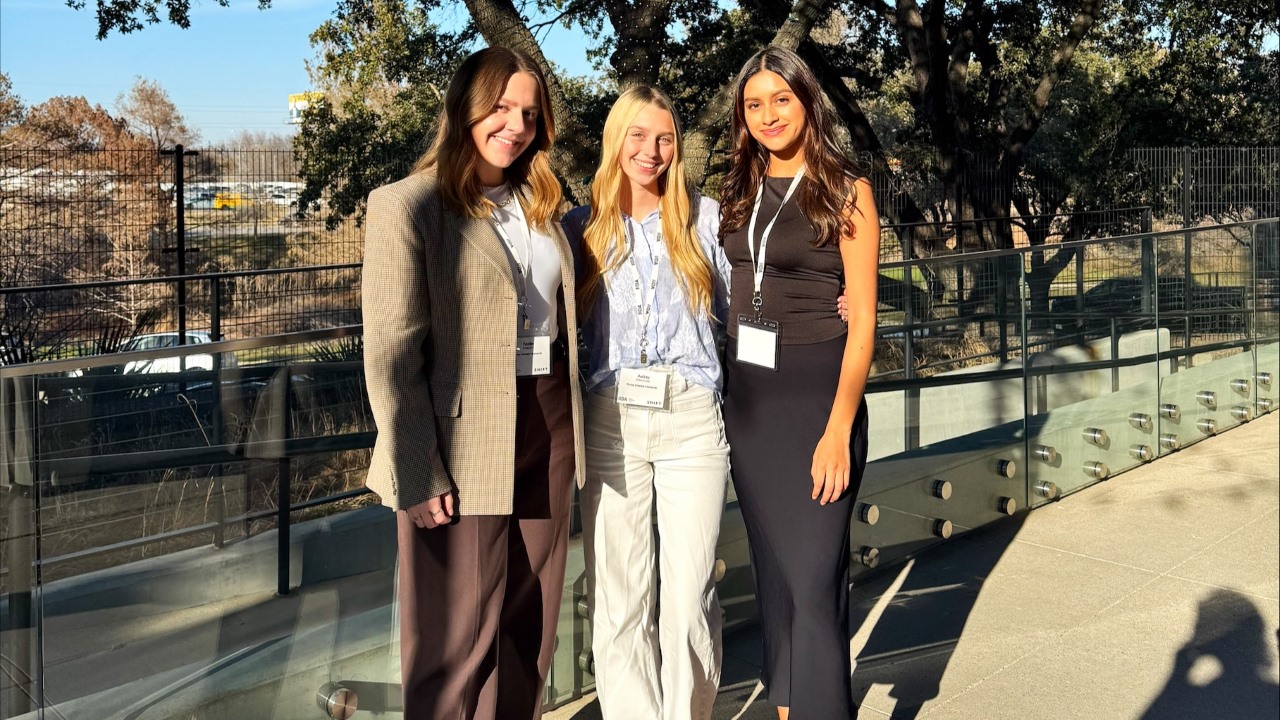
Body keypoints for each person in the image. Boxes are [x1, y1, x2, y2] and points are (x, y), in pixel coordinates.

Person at [360, 46, 585, 720]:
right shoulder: (408, 206)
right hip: (456, 441)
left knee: (529, 626)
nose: (514, 126)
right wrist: (416, 468)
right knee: (452, 643)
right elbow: (392, 351)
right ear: (465, 108)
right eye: (500, 108)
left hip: (548, 423)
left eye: (527, 114)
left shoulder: (546, 205)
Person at [718, 46, 880, 720]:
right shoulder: (735, 189)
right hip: (750, 403)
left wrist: (839, 429)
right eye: (754, 104)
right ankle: (787, 707)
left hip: (818, 399)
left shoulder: (848, 191)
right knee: (778, 577)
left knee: (814, 581)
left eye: (780, 99)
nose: (767, 115)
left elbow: (866, 323)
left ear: (807, 100)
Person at [563, 85, 732, 720]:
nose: (651, 151)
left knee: (687, 598)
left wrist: (840, 297)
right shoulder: (580, 228)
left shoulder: (705, 219)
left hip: (692, 419)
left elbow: (761, 291)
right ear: (615, 141)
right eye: (637, 135)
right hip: (611, 423)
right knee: (621, 595)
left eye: (664, 138)